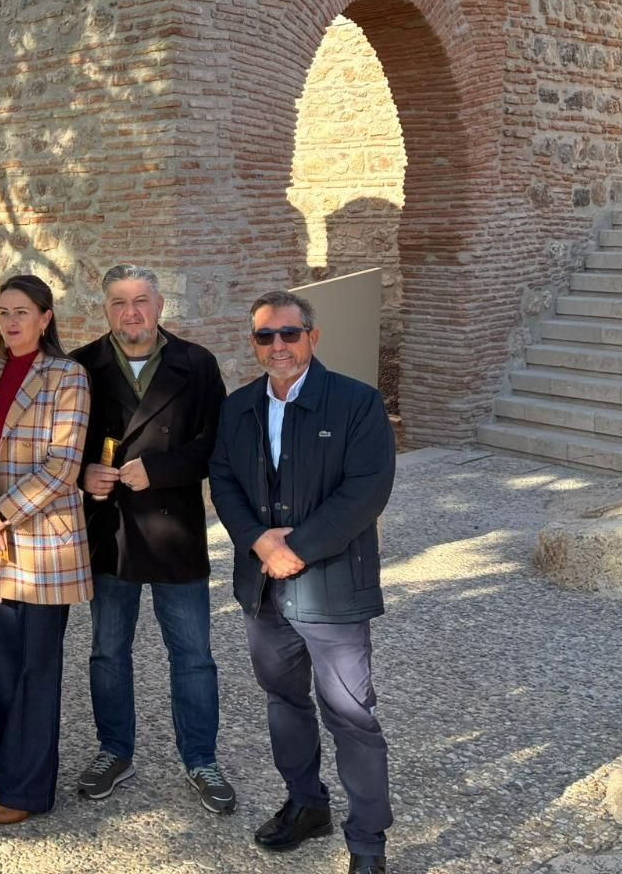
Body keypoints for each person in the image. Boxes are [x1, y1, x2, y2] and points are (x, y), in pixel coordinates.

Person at [208, 291, 395, 874]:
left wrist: (296, 548)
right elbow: (224, 480)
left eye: (289, 333)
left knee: (351, 714)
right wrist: (258, 541)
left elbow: (366, 491)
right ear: (255, 344)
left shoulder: (357, 403)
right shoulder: (238, 407)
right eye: (266, 336)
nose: (278, 346)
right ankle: (305, 803)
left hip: (333, 588)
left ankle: (367, 842)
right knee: (284, 700)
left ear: (312, 337)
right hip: (264, 588)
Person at [70, 264, 234, 814]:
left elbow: (219, 445)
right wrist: (83, 473)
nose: (131, 312)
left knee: (192, 655)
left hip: (173, 530)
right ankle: (114, 750)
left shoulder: (197, 364)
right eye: (119, 302)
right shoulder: (79, 367)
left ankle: (201, 759)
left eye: (141, 300)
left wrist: (159, 470)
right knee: (107, 653)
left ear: (160, 306)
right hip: (109, 533)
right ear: (105, 310)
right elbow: (62, 445)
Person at [0, 273, 92, 825]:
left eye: (22, 312)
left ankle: (28, 789)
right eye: (3, 312)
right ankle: (9, 772)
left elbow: (63, 467)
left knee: (36, 671)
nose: (11, 321)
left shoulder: (68, 375)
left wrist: (1, 513)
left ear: (45, 318)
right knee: (0, 668)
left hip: (44, 547)